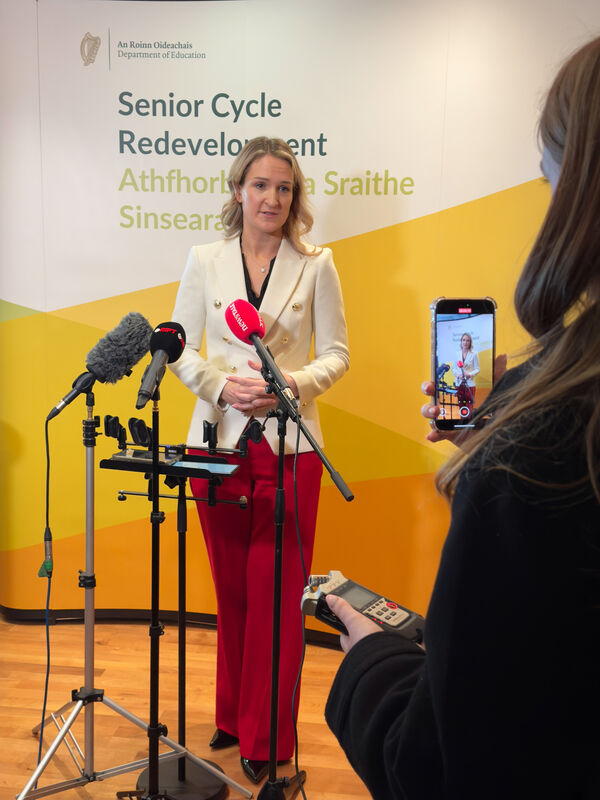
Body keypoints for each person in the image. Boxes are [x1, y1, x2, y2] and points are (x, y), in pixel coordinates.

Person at [324, 35, 600, 800]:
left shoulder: (542, 456)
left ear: (575, 181)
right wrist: (500, 424)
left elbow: (442, 763)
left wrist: (372, 661)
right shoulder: (541, 431)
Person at [169, 136, 349, 784]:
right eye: (261, 185)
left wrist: (291, 384)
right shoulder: (204, 260)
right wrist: (221, 386)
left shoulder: (316, 263)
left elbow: (336, 352)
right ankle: (233, 714)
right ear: (239, 189)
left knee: (276, 595)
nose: (272, 198)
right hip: (217, 441)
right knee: (233, 590)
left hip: (291, 447)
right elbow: (179, 347)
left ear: (293, 198)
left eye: (284, 188)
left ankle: (266, 737)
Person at [451, 331, 479, 416]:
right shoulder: (456, 354)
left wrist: (469, 374)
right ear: (461, 341)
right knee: (460, 405)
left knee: (469, 405)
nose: (465, 342)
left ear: (470, 342)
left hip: (469, 384)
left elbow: (477, 369)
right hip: (459, 383)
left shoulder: (474, 355)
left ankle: (469, 423)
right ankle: (461, 422)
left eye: (467, 340)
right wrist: (458, 375)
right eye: (463, 340)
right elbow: (453, 369)